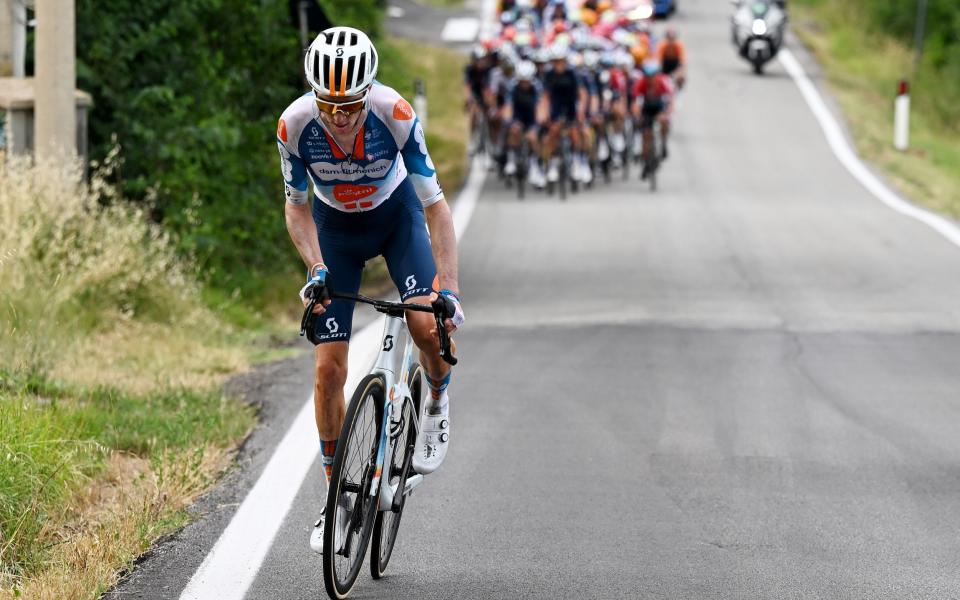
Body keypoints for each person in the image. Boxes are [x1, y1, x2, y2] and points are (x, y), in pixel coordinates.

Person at [277, 26, 465, 554]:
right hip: (335, 231)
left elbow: (434, 206)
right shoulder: (293, 125)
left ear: (369, 92)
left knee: (426, 324)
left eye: (350, 106)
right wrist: (315, 267)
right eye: (329, 106)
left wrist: (447, 289)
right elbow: (295, 206)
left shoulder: (395, 113)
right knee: (327, 370)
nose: (338, 118)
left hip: (396, 219)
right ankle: (336, 497)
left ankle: (435, 401)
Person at [631, 59, 674, 176]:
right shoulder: (640, 83)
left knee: (665, 122)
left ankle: (664, 143)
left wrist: (666, 115)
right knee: (646, 134)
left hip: (659, 106)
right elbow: (636, 103)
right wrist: (637, 116)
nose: (650, 79)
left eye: (653, 76)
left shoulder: (663, 82)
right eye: (648, 76)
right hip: (646, 108)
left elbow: (669, 102)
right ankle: (646, 161)